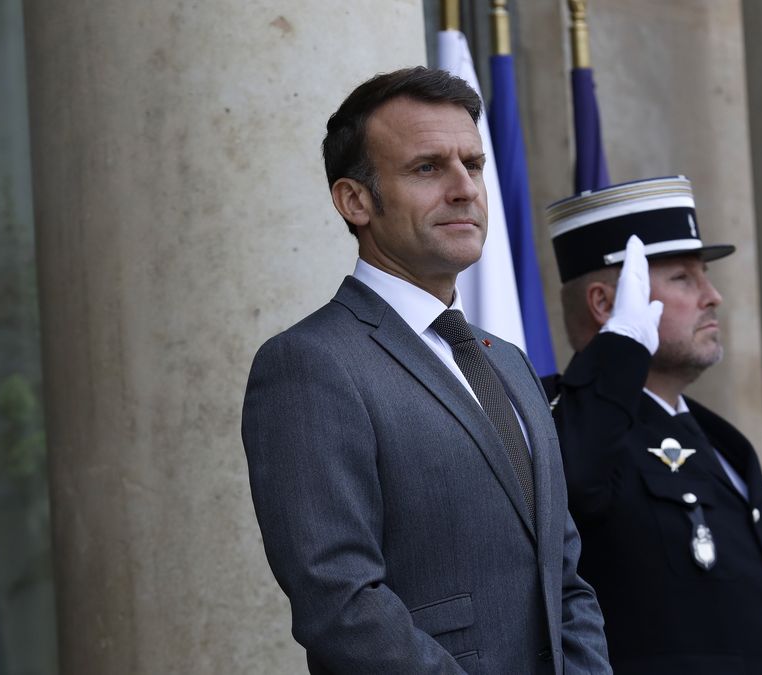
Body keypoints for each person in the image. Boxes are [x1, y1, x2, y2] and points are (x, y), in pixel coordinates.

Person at [241, 66, 610, 675]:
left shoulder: (508, 361)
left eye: (474, 163)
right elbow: (341, 604)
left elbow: (565, 576)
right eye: (428, 168)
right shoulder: (309, 364)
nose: (464, 187)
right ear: (354, 200)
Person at [543, 176, 762, 674]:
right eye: (683, 279)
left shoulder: (721, 440)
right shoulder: (565, 422)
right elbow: (573, 485)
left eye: (704, 275)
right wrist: (619, 350)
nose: (713, 296)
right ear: (606, 305)